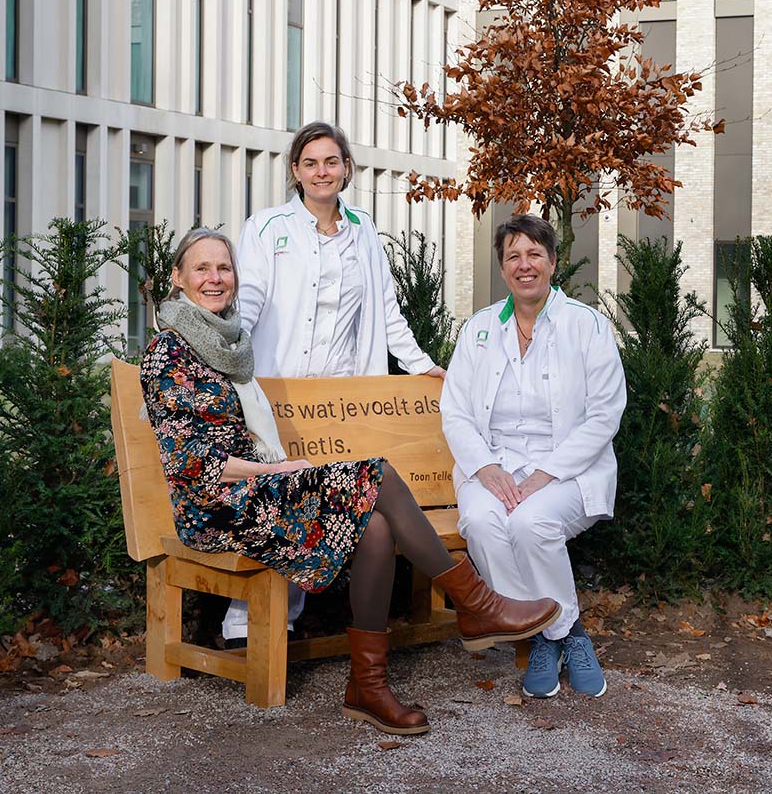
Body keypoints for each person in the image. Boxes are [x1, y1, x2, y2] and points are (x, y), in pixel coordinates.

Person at [140, 228, 559, 735]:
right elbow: (189, 462)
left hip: (252, 495)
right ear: (178, 280)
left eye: (223, 268)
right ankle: (475, 604)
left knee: (377, 528)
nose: (214, 278)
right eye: (202, 269)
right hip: (214, 508)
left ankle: (368, 686)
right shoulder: (169, 352)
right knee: (375, 473)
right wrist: (275, 471)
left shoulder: (229, 343)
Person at [222, 121, 446, 647]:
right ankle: (245, 625)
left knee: (324, 498)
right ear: (295, 172)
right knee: (279, 497)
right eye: (310, 163)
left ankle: (292, 620)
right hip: (281, 390)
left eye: (331, 161)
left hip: (344, 397)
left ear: (346, 168)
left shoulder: (364, 229)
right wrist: (232, 359)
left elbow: (386, 309)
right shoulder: (267, 226)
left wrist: (420, 364)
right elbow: (248, 300)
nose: (321, 172)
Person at [440, 214, 627, 699]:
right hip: (494, 466)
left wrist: (545, 474)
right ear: (503, 269)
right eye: (513, 257)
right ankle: (559, 632)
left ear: (553, 262)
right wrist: (485, 467)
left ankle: (557, 636)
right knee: (482, 524)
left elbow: (604, 416)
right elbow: (456, 411)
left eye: (534, 255)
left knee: (530, 524)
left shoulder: (587, 327)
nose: (525, 266)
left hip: (567, 469)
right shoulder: (480, 329)